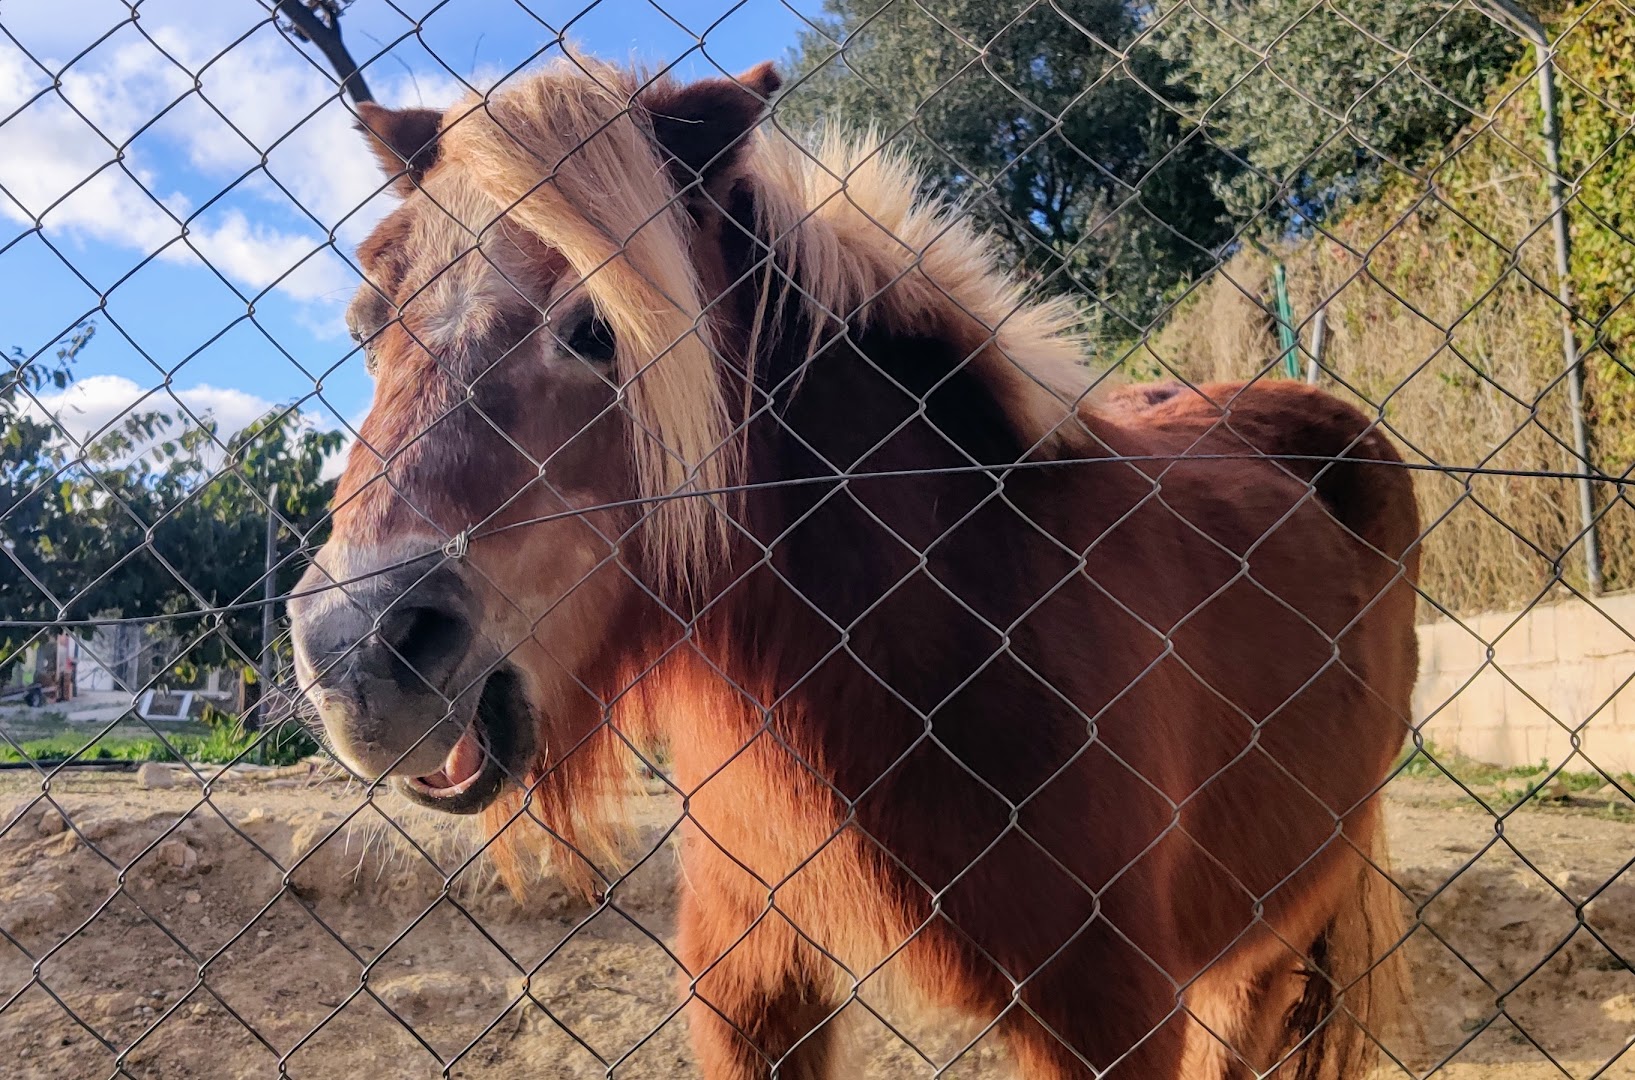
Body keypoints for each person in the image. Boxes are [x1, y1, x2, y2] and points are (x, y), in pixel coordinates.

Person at [55, 629, 78, 703]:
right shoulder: (61, 649)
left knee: (63, 684)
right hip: (61, 669)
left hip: (64, 669)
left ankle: (64, 696)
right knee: (60, 684)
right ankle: (61, 696)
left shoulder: (65, 648)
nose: (65, 639)